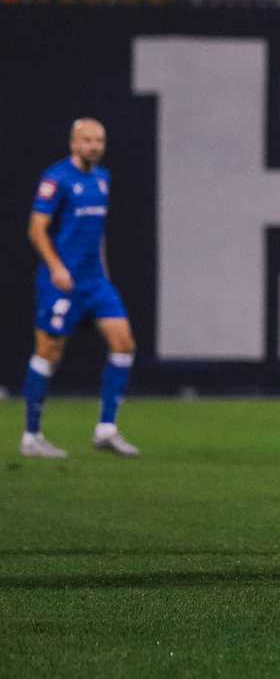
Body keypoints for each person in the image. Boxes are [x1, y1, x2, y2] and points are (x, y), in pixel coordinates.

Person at [20, 119, 139, 458]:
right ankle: (31, 436)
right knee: (48, 351)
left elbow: (96, 235)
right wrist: (56, 267)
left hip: (95, 281)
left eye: (99, 140)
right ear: (73, 143)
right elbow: (36, 229)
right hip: (61, 281)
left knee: (124, 344)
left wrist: (104, 274)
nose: (94, 146)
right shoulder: (56, 179)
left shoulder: (103, 179)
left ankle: (106, 429)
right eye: (87, 140)